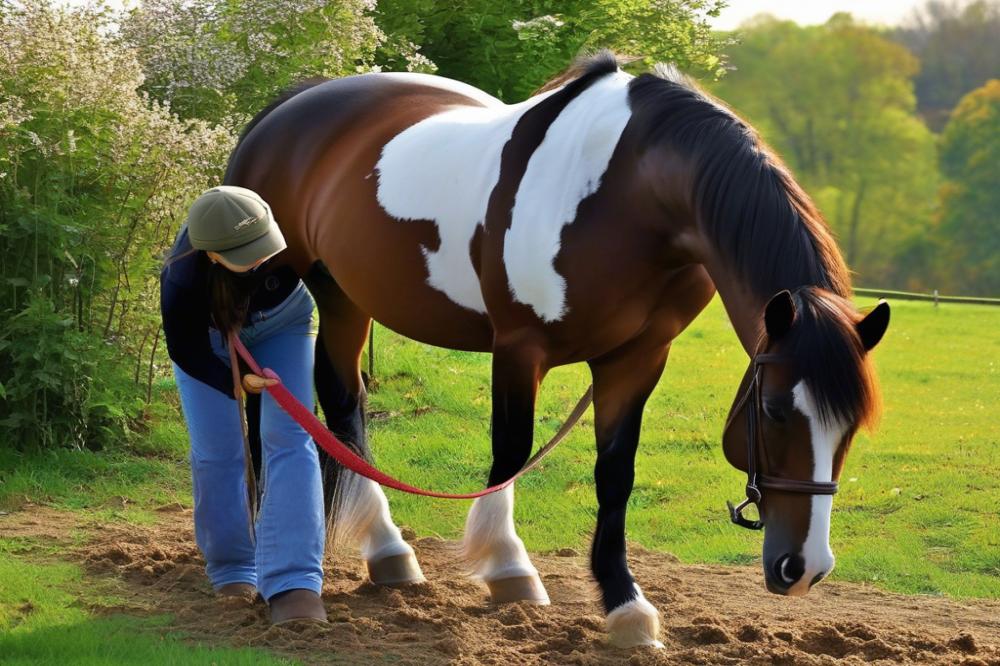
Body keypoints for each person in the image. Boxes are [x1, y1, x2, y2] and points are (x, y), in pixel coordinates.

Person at [160, 185, 327, 624]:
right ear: (212, 255)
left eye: (265, 244)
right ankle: (233, 567)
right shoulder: (182, 280)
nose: (264, 258)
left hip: (286, 321)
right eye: (247, 253)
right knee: (219, 450)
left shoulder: (287, 231)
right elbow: (186, 350)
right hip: (209, 343)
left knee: (290, 436)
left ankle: (295, 582)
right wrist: (233, 383)